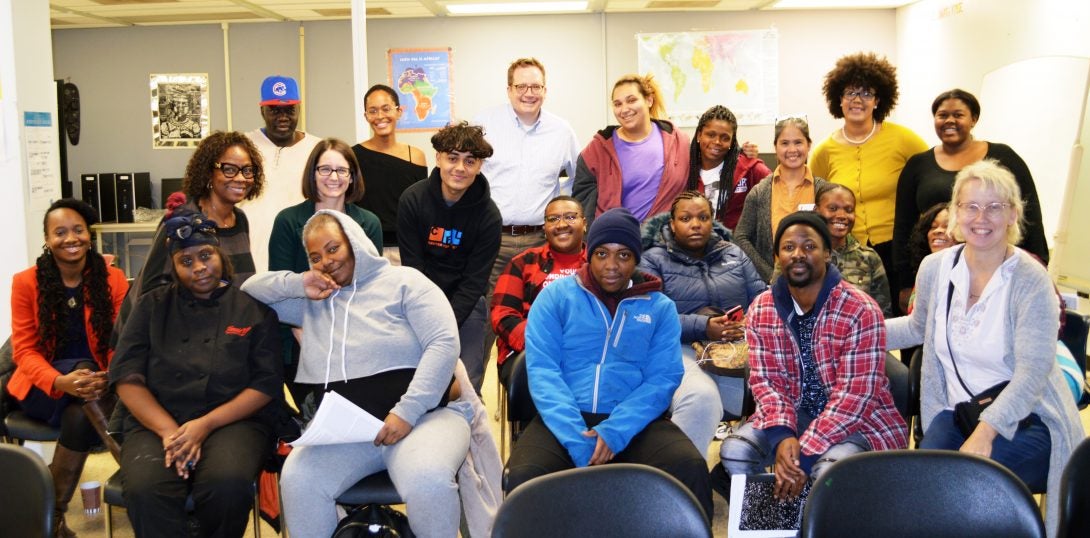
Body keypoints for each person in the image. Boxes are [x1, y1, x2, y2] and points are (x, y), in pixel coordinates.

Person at [241, 210, 472, 538]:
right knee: (297, 479)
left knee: (427, 480)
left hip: (424, 421)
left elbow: (444, 343)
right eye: (315, 256)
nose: (326, 261)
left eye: (333, 248)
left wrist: (406, 412)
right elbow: (250, 289)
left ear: (355, 242)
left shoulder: (405, 282)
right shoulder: (316, 301)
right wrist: (299, 281)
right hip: (350, 436)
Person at [886, 160, 1084, 536]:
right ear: (956, 211)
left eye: (994, 206)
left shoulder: (1030, 279)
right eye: (971, 206)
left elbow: (1031, 374)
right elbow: (916, 326)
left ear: (1012, 213)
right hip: (959, 411)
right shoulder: (935, 267)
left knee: (963, 490)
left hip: (1032, 419)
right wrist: (854, 331)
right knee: (918, 486)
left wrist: (987, 433)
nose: (982, 217)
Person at [505, 207, 713, 519]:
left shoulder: (659, 308)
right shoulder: (556, 298)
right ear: (588, 253)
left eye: (624, 255)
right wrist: (577, 439)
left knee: (690, 467)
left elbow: (662, 379)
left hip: (634, 421)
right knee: (524, 477)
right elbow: (543, 370)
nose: (612, 266)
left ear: (636, 259)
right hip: (564, 418)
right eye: (602, 253)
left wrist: (616, 430)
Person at [110, 211, 283, 538]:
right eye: (185, 261)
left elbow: (265, 385)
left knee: (227, 484)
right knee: (146, 489)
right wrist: (169, 432)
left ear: (220, 253)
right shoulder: (151, 306)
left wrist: (204, 426)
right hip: (157, 422)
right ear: (173, 267)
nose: (199, 267)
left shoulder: (253, 309)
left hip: (234, 421)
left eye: (205, 256)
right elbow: (126, 377)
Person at [718, 212, 907, 501]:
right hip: (792, 416)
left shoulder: (860, 309)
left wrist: (802, 456)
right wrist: (782, 436)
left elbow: (854, 397)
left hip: (858, 421)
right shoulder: (762, 308)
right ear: (778, 255)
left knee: (827, 470)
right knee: (735, 452)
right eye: (789, 247)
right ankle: (775, 521)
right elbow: (767, 382)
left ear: (828, 253)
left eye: (809, 246)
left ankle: (825, 521)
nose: (798, 254)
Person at [9, 199, 128, 537]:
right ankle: (138, 476)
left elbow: (123, 340)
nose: (70, 238)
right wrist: (61, 381)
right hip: (44, 387)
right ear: (47, 239)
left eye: (78, 230)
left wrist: (107, 376)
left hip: (94, 388)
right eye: (59, 232)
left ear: (89, 235)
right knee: (83, 368)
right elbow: (25, 351)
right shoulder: (25, 282)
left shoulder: (113, 279)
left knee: (80, 413)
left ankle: (52, 516)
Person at [893, 89, 1049, 308]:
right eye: (942, 115)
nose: (950, 121)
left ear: (974, 119)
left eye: (958, 115)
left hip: (994, 269)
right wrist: (906, 283)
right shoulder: (917, 165)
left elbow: (1030, 216)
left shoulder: (1004, 157)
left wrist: (1037, 266)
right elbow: (903, 226)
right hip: (934, 272)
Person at [639, 190, 767, 445]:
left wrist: (746, 322)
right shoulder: (652, 261)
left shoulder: (734, 254)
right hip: (681, 347)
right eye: (686, 219)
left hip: (740, 347)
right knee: (701, 399)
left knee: (784, 392)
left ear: (712, 220)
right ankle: (681, 480)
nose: (695, 224)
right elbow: (649, 318)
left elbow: (763, 301)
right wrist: (704, 327)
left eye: (703, 217)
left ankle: (739, 469)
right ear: (672, 225)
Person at [269, 138, 383, 408]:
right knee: (317, 410)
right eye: (325, 169)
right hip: (300, 336)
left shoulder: (368, 223)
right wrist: (309, 338)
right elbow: (281, 288)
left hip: (353, 334)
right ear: (313, 173)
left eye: (342, 170)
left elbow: (372, 288)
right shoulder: (288, 221)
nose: (334, 177)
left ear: (352, 177)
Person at [810, 52, 928, 306]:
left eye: (866, 93)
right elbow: (816, 202)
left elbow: (931, 176)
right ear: (838, 100)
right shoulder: (823, 152)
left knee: (901, 316)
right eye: (850, 93)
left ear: (878, 101)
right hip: (848, 254)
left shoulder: (903, 139)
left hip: (898, 250)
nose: (857, 100)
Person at [398, 122, 501, 394]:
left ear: (479, 166)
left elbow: (474, 281)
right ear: (438, 158)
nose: (460, 168)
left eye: (470, 161)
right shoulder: (412, 200)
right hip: (420, 305)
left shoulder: (489, 216)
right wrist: (429, 319)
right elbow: (413, 270)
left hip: (465, 308)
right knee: (415, 386)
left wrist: (446, 322)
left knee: (464, 391)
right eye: (452, 158)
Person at [474, 58, 581, 297]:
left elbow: (579, 178)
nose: (528, 93)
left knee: (543, 308)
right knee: (494, 312)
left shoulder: (562, 131)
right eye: (521, 87)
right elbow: (468, 174)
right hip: (493, 240)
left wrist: (561, 213)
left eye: (536, 87)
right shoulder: (483, 125)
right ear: (509, 90)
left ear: (545, 90)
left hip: (541, 240)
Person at [490, 195, 586, 387]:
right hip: (530, 351)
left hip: (586, 352)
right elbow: (502, 315)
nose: (561, 225)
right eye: (553, 219)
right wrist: (543, 343)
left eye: (570, 217)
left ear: (584, 224)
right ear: (544, 228)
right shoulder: (523, 263)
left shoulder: (598, 265)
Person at [572, 74, 690, 224]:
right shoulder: (596, 150)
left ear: (649, 100)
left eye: (631, 100)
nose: (624, 109)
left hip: (662, 237)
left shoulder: (679, 142)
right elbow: (582, 203)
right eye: (617, 104)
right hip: (614, 237)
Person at [734, 117, 829, 282]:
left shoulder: (823, 191)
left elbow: (834, 237)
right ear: (775, 147)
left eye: (798, 142)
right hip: (772, 285)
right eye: (785, 143)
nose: (792, 149)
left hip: (816, 284)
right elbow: (741, 237)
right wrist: (771, 275)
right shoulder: (759, 192)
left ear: (809, 145)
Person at [244, 75, 322, 272]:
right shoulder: (243, 146)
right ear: (262, 110)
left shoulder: (317, 148)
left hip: (303, 253)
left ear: (299, 109)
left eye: (289, 110)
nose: (283, 117)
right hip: (253, 254)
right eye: (274, 110)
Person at [352, 84, 428, 263]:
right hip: (366, 247)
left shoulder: (415, 156)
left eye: (386, 109)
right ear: (366, 116)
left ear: (399, 111)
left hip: (407, 249)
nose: (380, 117)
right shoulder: (352, 156)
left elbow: (422, 208)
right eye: (373, 111)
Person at [685, 105, 770, 231]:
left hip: (735, 246)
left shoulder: (748, 169)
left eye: (725, 138)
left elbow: (778, 187)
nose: (717, 142)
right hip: (693, 244)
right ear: (699, 135)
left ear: (732, 142)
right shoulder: (685, 170)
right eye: (711, 135)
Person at [812, 182, 892, 316]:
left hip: (859, 334)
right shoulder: (801, 254)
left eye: (849, 210)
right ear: (816, 210)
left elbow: (883, 314)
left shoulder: (868, 257)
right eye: (832, 208)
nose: (842, 215)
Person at [904, 203, 952, 313]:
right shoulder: (925, 271)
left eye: (947, 226)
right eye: (933, 227)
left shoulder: (966, 274)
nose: (937, 231)